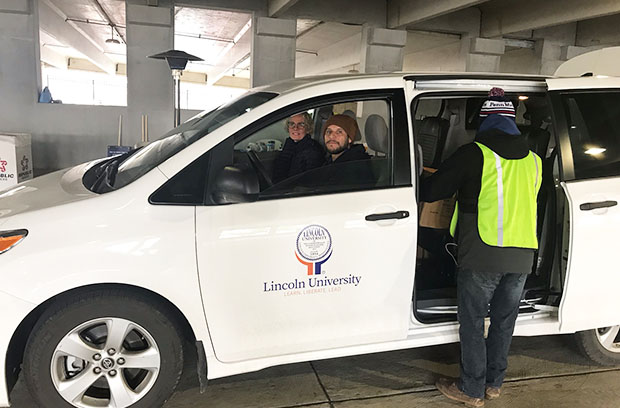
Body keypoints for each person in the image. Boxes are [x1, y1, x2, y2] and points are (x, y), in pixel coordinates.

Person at [422, 88, 542, 407]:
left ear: (485, 120)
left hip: (483, 251)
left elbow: (433, 191)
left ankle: (471, 388)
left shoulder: (475, 153)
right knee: (504, 321)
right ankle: (493, 383)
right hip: (522, 256)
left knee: (473, 321)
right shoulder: (534, 161)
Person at [272, 112, 325, 183]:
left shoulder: (313, 150)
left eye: (301, 124)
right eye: (291, 124)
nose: (295, 128)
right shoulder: (289, 145)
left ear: (308, 127)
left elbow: (309, 181)